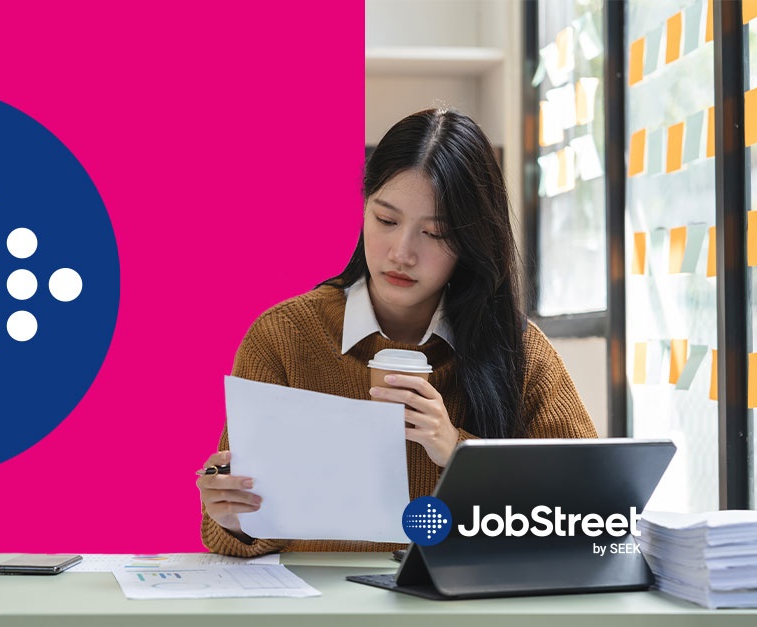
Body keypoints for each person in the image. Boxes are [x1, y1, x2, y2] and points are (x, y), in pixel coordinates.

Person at [197, 109, 598, 557]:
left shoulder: (515, 348)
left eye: (434, 233)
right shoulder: (283, 337)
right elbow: (239, 534)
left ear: (472, 242)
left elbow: (593, 509)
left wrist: (458, 452)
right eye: (386, 220)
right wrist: (233, 518)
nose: (401, 252)